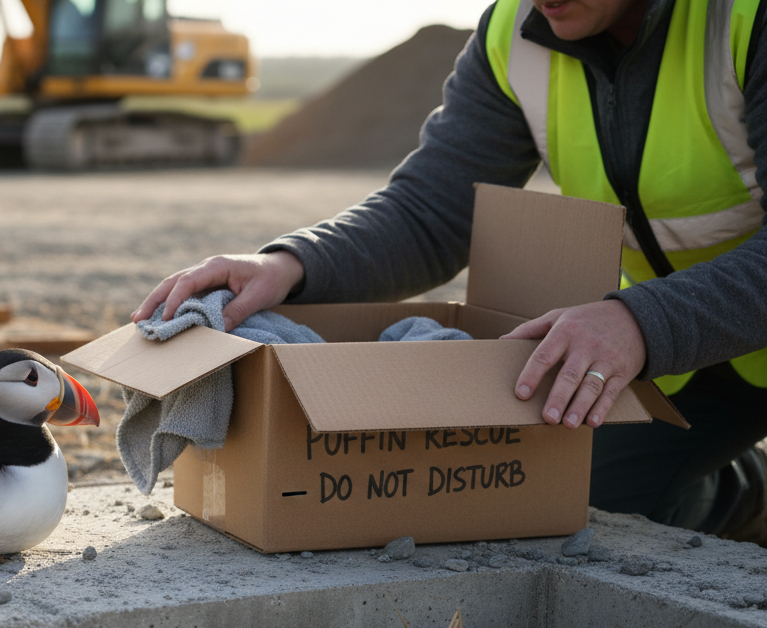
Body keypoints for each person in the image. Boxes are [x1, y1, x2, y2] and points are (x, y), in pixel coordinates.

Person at [132, 0, 767, 543]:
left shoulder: (745, 18)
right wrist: (291, 264)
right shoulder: (514, 35)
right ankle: (744, 495)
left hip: (687, 324)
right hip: (694, 350)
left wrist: (641, 322)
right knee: (569, 496)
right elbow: (434, 211)